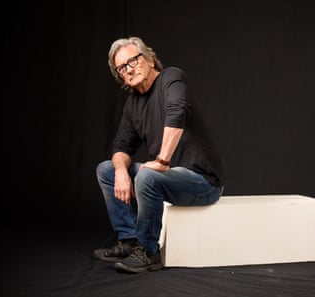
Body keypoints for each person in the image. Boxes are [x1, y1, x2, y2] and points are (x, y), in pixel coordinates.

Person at [93, 36, 225, 273]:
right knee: (107, 169)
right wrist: (122, 171)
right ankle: (129, 240)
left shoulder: (171, 78)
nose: (129, 69)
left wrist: (163, 160)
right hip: (167, 178)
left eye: (133, 60)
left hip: (203, 182)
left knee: (146, 175)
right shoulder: (133, 104)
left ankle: (148, 251)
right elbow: (120, 147)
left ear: (150, 59)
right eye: (122, 67)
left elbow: (177, 110)